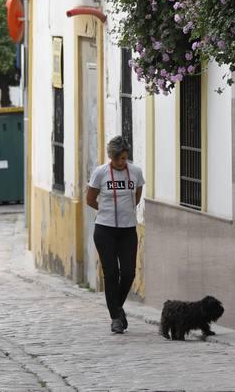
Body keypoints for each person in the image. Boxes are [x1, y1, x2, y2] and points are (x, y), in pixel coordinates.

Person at [86, 136, 144, 334]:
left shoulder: (135, 171)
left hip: (128, 230)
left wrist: (126, 212)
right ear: (111, 157)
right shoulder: (100, 173)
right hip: (105, 229)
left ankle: (117, 308)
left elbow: (137, 195)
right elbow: (90, 199)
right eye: (119, 159)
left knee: (128, 273)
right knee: (111, 273)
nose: (122, 162)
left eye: (125, 158)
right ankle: (116, 319)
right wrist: (107, 212)